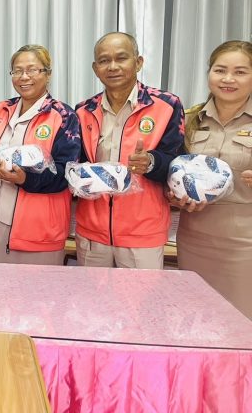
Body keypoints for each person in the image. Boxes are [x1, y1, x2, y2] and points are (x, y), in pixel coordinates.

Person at [75, 32, 184, 269]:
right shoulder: (83, 110)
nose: (113, 66)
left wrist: (152, 163)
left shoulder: (166, 105)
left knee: (140, 295)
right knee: (89, 293)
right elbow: (77, 163)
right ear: (95, 68)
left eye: (121, 58)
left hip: (142, 232)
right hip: (92, 231)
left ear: (138, 62)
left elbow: (178, 162)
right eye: (104, 60)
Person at [0, 45, 80, 264]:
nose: (24, 77)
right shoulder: (2, 110)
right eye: (17, 71)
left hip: (39, 227)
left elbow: (67, 173)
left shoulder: (63, 116)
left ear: (47, 73)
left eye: (32, 70)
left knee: (37, 286)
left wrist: (25, 179)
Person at [172, 40, 252, 319]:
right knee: (196, 318)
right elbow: (173, 173)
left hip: (244, 242)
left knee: (240, 321)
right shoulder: (189, 119)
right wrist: (174, 195)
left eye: (240, 72)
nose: (228, 79)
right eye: (220, 70)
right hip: (194, 237)